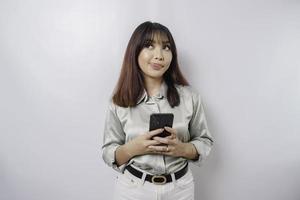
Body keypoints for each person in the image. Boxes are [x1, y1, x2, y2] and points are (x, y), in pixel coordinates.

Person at [102, 21, 213, 200]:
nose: (159, 55)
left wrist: (182, 149)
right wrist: (133, 148)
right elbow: (109, 152)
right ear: (135, 51)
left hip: (180, 190)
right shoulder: (118, 101)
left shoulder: (189, 96)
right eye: (149, 46)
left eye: (166, 47)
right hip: (133, 190)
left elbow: (205, 141)